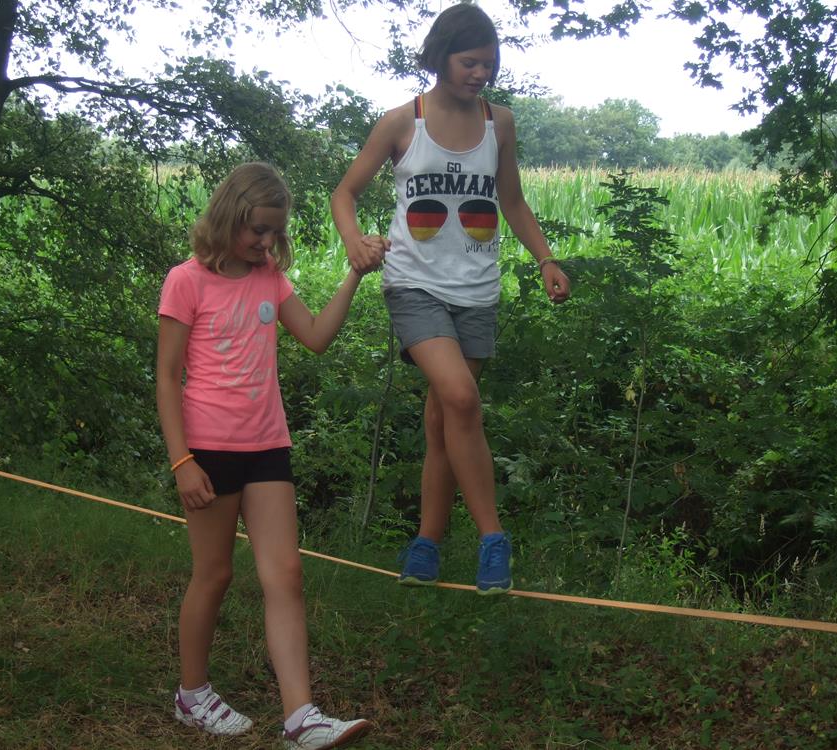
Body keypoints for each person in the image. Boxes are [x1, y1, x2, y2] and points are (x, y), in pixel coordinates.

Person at [331, 3, 570, 595]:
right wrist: (354, 240)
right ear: (441, 57)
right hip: (413, 283)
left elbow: (512, 201)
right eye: (470, 63)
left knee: (444, 420)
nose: (480, 74)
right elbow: (345, 193)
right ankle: (493, 539)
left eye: (489, 64)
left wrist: (546, 259)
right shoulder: (401, 122)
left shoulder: (499, 123)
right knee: (461, 397)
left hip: (477, 290)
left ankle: (426, 547)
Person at [156, 162, 372, 749]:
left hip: (268, 445)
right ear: (229, 216)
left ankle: (301, 717)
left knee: (287, 575)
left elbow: (317, 337)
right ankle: (192, 695)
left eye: (275, 231)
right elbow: (167, 377)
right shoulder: (186, 281)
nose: (266, 241)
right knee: (215, 572)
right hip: (208, 450)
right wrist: (182, 462)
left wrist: (353, 275)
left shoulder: (269, 278)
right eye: (257, 229)